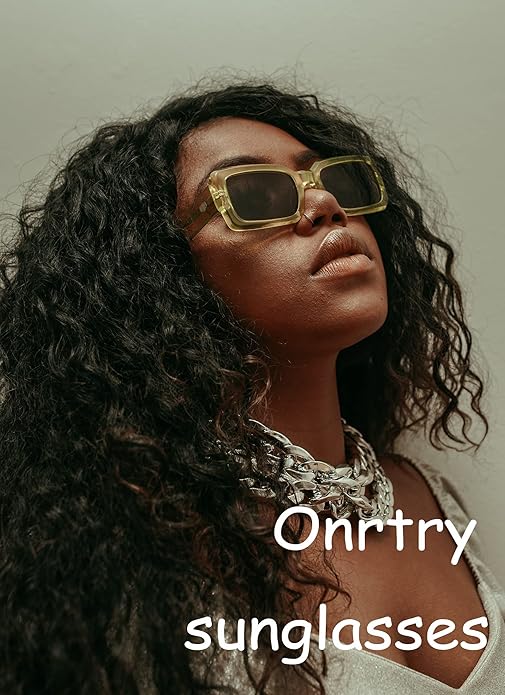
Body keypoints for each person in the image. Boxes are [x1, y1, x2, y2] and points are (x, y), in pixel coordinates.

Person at [0, 79, 502, 695]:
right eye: (255, 193)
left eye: (339, 181)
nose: (325, 204)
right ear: (160, 273)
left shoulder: (431, 498)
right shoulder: (129, 536)